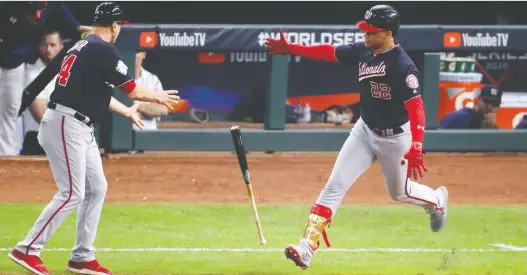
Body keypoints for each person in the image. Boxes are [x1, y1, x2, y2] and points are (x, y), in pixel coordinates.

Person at [265, 5, 449, 270]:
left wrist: (417, 144)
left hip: (396, 138)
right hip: (364, 130)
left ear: (387, 33)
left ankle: (436, 202)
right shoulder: (365, 50)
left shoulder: (402, 66)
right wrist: (292, 48)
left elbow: (416, 107)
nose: (365, 34)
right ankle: (306, 248)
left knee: (400, 192)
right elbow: (330, 52)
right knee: (333, 187)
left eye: (371, 31)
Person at [7, 3, 179, 275]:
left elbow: (95, 91)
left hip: (75, 124)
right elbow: (132, 90)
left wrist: (125, 111)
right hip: (66, 123)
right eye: (119, 24)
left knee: (96, 187)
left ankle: (82, 256)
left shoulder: (81, 45)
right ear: (114, 26)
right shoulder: (103, 49)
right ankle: (27, 249)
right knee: (72, 193)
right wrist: (157, 96)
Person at [0, 1, 90, 156]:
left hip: (15, 61)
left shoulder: (55, 5)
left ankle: (6, 155)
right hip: (7, 51)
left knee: (11, 109)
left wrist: (85, 29)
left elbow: (74, 25)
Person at [19, 31, 64, 155]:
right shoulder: (31, 73)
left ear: (61, 47)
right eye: (44, 45)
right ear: (39, 47)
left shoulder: (69, 73)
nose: (48, 49)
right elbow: (40, 114)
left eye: (53, 45)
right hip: (37, 139)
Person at [133, 51, 169, 130]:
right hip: (124, 135)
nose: (134, 55)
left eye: (137, 52)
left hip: (148, 133)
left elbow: (163, 109)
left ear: (144, 54)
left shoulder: (152, 79)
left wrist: (136, 106)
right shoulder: (118, 77)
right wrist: (149, 110)